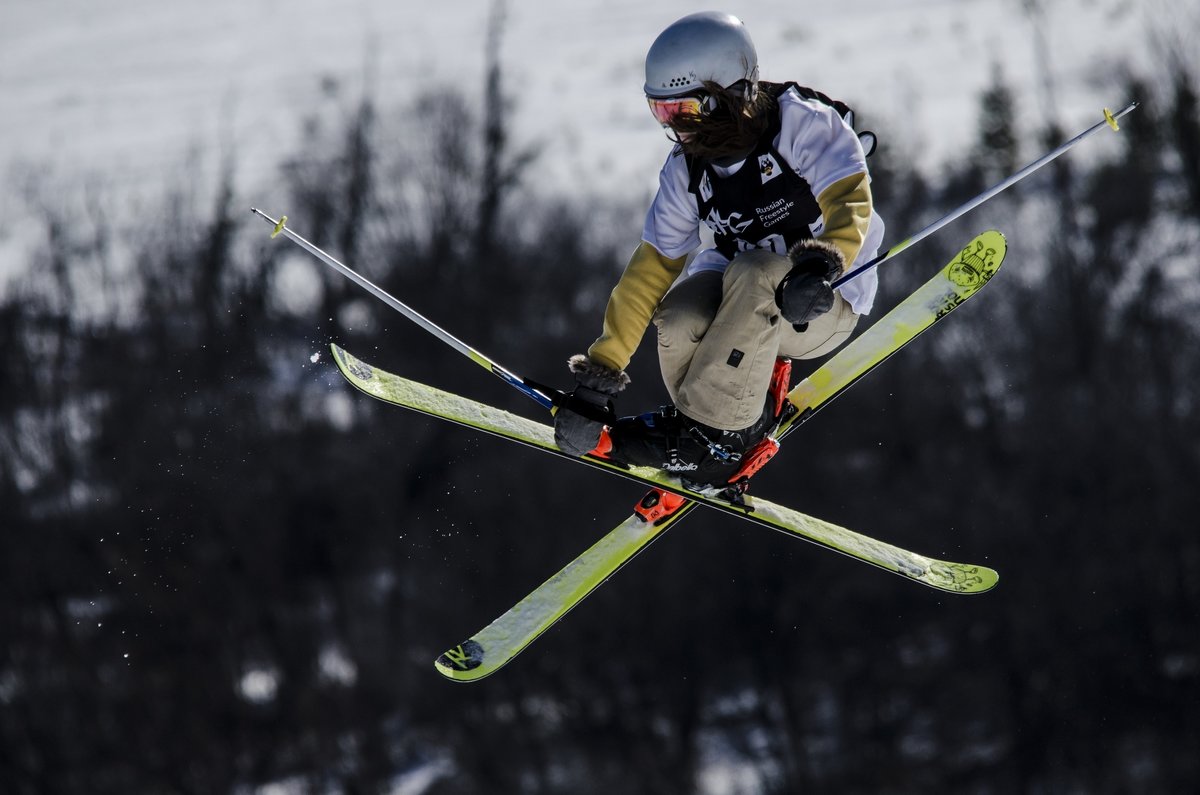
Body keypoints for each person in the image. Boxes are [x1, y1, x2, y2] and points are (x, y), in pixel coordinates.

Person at [553, 11, 885, 491]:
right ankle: (716, 427)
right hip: (741, 298)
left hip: (818, 301)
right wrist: (598, 379)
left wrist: (819, 267)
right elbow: (650, 271)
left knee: (756, 271)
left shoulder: (802, 124)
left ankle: (717, 437)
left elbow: (850, 201)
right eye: (661, 113)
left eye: (683, 111)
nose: (677, 129)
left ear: (726, 95)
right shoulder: (686, 171)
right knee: (680, 315)